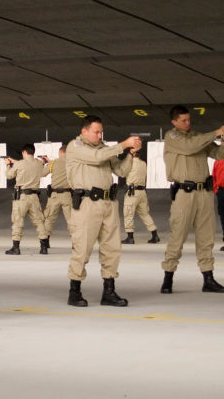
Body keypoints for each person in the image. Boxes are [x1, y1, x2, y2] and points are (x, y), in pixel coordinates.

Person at [65, 117, 142, 307]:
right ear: (84, 131)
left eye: (101, 132)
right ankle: (74, 291)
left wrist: (130, 154)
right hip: (87, 203)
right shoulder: (75, 146)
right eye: (96, 132)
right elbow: (96, 158)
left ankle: (109, 291)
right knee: (82, 248)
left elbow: (121, 172)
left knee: (112, 249)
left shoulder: (104, 149)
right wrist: (123, 144)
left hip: (109, 203)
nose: (100, 135)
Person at [160, 105, 224, 294]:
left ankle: (208, 278)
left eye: (189, 119)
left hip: (204, 192)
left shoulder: (198, 138)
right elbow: (189, 147)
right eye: (183, 120)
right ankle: (168, 277)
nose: (187, 123)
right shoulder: (172, 137)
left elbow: (218, 155)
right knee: (177, 236)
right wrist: (216, 132)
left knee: (206, 237)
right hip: (184, 193)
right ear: (174, 122)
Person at [3, 144, 50, 255]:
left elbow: (9, 175)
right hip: (34, 197)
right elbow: (43, 172)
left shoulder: (19, 164)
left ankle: (16, 247)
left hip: (21, 197)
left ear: (24, 152)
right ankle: (44, 247)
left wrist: (8, 165)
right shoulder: (38, 164)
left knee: (17, 221)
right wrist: (45, 163)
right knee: (39, 221)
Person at [120, 147, 159, 244]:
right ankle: (155, 235)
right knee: (145, 214)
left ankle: (130, 237)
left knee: (128, 213)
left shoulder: (129, 163)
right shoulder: (143, 163)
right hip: (142, 192)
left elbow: (122, 173)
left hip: (132, 192)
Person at [42, 145, 73, 249]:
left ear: (60, 152)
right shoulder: (72, 163)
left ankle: (45, 242)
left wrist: (46, 163)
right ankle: (75, 243)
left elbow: (42, 173)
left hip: (54, 196)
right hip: (67, 195)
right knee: (71, 220)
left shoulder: (54, 163)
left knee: (49, 218)